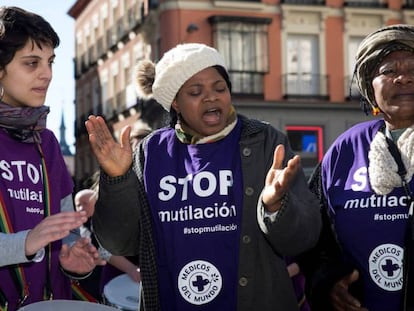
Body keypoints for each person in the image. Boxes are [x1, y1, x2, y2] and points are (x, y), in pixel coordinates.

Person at [85, 43, 321, 310]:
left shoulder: (266, 142)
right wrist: (117, 179)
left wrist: (276, 206)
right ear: (175, 102)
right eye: (195, 92)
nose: (211, 97)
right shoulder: (150, 152)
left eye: (219, 88)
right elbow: (118, 242)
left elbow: (304, 237)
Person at [303, 24, 414, 311]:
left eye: (413, 68)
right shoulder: (345, 149)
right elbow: (316, 236)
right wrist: (328, 283)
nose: (402, 78)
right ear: (370, 87)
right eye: (388, 71)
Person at [0, 6, 104, 310]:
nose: (46, 74)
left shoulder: (47, 142)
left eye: (50, 62)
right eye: (32, 63)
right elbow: (35, 238)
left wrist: (73, 257)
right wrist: (27, 242)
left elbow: (66, 229)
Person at [74, 189, 141, 302]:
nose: (81, 208)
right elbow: (104, 250)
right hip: (111, 281)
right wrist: (131, 269)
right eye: (78, 205)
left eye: (85, 204)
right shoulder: (83, 226)